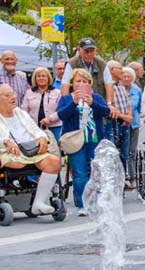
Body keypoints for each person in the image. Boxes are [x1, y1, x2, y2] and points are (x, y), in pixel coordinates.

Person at [1, 84, 62, 216]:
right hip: (7, 152)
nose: (13, 97)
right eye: (7, 95)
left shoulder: (21, 113)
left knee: (53, 162)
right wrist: (5, 141)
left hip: (29, 150)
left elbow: (35, 130)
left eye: (13, 94)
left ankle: (38, 203)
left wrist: (41, 138)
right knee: (19, 163)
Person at [56, 69, 110, 217]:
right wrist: (73, 103)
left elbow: (105, 112)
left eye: (84, 81)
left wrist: (93, 104)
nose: (81, 84)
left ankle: (97, 201)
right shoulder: (66, 98)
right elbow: (61, 115)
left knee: (96, 171)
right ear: (72, 83)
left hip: (94, 139)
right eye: (78, 81)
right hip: (75, 140)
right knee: (79, 173)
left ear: (89, 84)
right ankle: (82, 203)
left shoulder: (96, 97)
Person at [61, 38, 115, 108]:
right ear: (79, 50)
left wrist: (109, 104)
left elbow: (109, 85)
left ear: (95, 51)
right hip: (77, 105)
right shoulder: (71, 63)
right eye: (86, 51)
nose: (89, 54)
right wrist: (67, 104)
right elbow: (65, 85)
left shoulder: (102, 64)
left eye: (92, 51)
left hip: (97, 104)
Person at [104, 61, 133, 174]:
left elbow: (128, 102)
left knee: (124, 153)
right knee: (114, 152)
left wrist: (129, 116)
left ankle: (122, 178)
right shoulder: (107, 86)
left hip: (125, 123)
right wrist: (124, 117)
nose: (122, 71)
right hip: (113, 122)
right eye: (119, 68)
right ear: (111, 70)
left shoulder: (121, 85)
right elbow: (108, 106)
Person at [21, 67, 62, 144]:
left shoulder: (57, 93)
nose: (41, 78)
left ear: (48, 78)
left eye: (43, 76)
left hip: (54, 127)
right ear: (35, 78)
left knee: (55, 151)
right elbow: (24, 111)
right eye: (38, 76)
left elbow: (61, 110)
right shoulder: (29, 93)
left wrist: (49, 119)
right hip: (35, 128)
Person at [121, 67, 143, 179]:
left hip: (134, 124)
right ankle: (123, 174)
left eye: (128, 76)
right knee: (123, 150)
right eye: (124, 76)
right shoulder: (118, 89)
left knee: (132, 150)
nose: (126, 78)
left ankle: (132, 174)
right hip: (121, 124)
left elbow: (139, 107)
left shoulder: (137, 90)